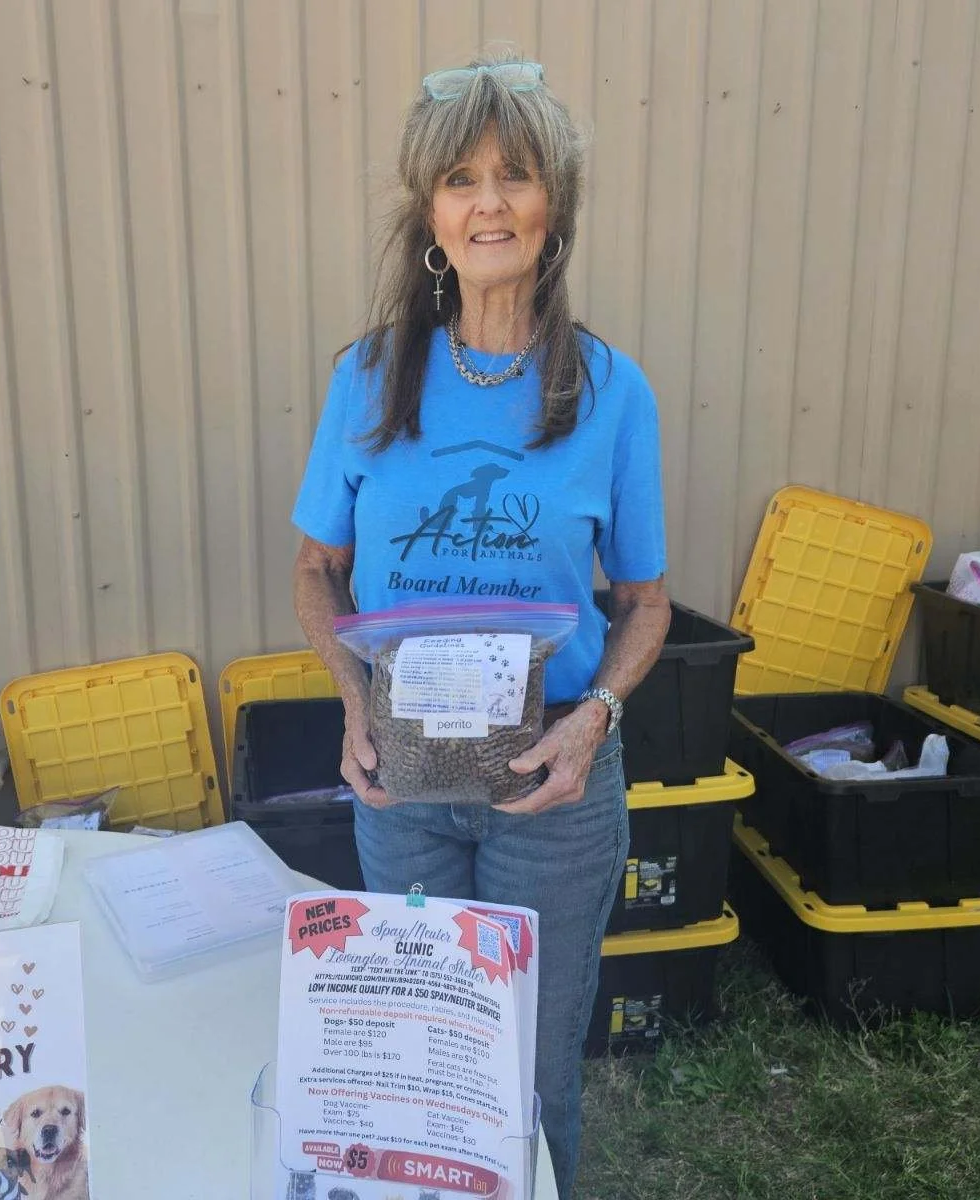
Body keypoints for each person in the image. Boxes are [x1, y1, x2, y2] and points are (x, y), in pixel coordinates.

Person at [290, 53, 671, 1196]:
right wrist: (354, 703)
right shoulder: (366, 379)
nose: (489, 201)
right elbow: (316, 570)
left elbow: (645, 601)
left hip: (548, 780)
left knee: (533, 1064)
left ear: (553, 209)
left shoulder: (613, 392)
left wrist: (595, 716)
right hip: (401, 777)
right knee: (413, 1052)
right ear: (430, 218)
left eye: (515, 176)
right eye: (461, 179)